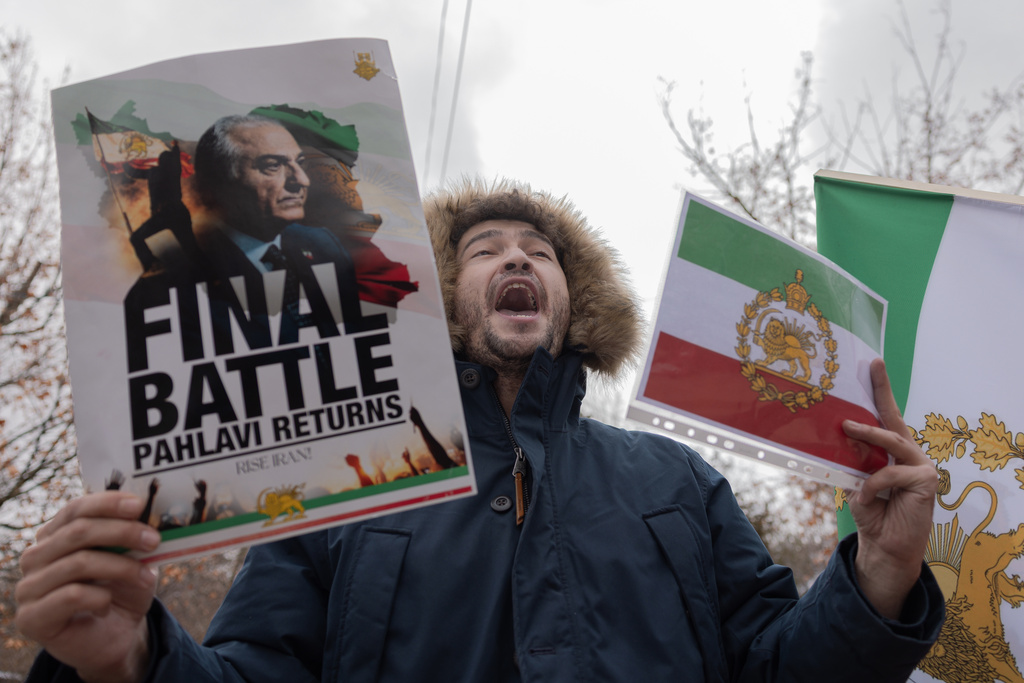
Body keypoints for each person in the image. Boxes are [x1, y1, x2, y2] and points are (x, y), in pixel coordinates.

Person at [15, 179, 943, 682]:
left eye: (540, 252)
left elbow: (781, 668)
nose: (516, 258)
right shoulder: (349, 473)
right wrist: (128, 661)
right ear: (440, 294)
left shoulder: (677, 480)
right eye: (485, 248)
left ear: (572, 301)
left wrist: (878, 579)